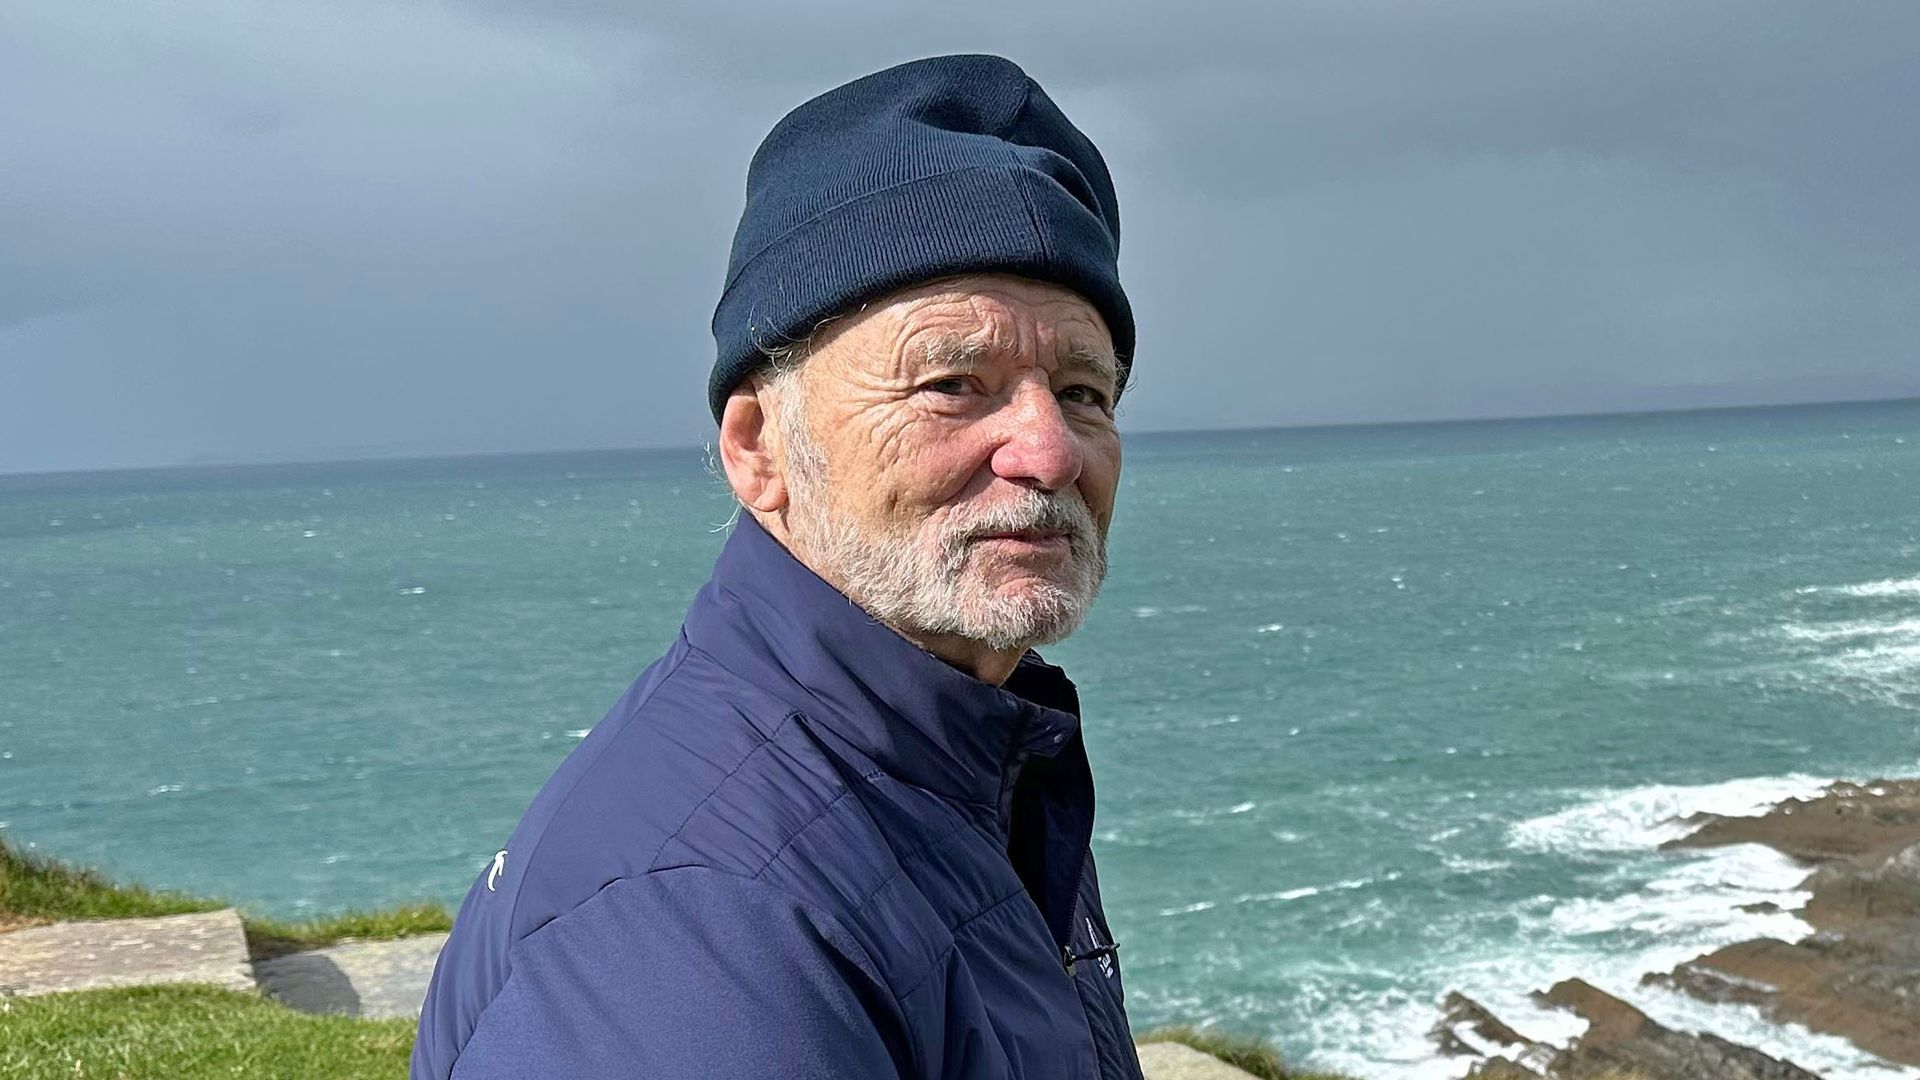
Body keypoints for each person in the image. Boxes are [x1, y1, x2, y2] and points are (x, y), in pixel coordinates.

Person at [412, 53, 1143, 1080]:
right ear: (759, 451)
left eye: (1083, 392)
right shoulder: (704, 915)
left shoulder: (962, 753)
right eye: (951, 382)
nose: (1051, 450)